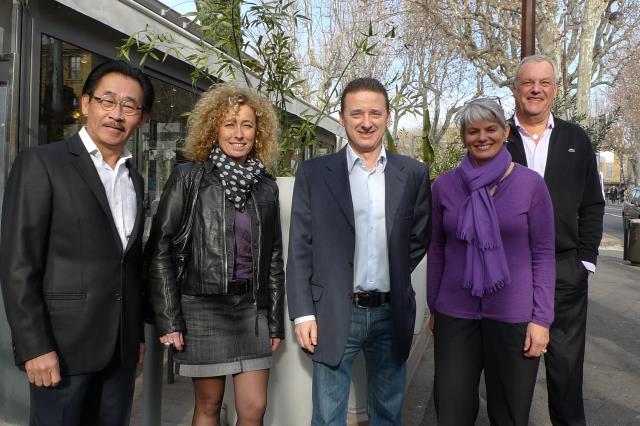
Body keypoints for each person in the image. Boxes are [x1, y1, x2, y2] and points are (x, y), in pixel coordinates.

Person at [0, 60, 154, 425]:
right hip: (60, 351)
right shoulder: (41, 163)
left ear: (142, 119)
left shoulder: (134, 177)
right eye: (107, 101)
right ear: (87, 104)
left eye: (129, 106)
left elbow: (127, 264)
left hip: (119, 354)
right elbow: (18, 265)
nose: (117, 114)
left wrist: (133, 334)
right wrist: (34, 346)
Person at [286, 77, 431, 425]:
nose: (366, 122)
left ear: (388, 117)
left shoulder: (412, 173)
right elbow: (300, 246)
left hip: (390, 310)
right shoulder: (313, 173)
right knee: (328, 416)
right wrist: (303, 313)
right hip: (334, 311)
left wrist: (390, 269)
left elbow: (419, 235)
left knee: (387, 413)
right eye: (357, 113)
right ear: (342, 117)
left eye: (375, 113)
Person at [145, 84, 285, 426]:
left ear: (259, 131)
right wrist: (169, 318)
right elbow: (160, 247)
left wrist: (276, 318)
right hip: (201, 307)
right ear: (214, 129)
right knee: (209, 406)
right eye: (230, 124)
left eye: (247, 125)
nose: (239, 134)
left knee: (254, 409)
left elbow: (274, 259)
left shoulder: (266, 185)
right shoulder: (189, 176)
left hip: (252, 310)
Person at [427, 98, 556, 425]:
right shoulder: (444, 187)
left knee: (509, 414)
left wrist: (541, 320)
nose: (482, 137)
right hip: (455, 313)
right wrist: (434, 308)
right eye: (473, 131)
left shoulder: (530, 185)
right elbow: (437, 250)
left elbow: (543, 255)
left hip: (513, 314)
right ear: (463, 136)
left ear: (505, 131)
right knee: (452, 411)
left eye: (490, 129)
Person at [507, 54, 605, 425]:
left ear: (554, 89)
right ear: (516, 89)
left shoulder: (576, 139)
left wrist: (585, 261)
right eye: (528, 83)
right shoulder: (498, 138)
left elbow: (593, 204)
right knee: (514, 379)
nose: (536, 89)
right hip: (512, 275)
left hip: (565, 272)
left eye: (544, 83)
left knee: (565, 376)